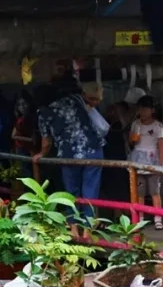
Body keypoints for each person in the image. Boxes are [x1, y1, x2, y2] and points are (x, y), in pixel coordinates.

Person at [33, 81, 109, 222]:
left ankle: (73, 226)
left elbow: (46, 142)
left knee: (71, 191)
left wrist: (41, 154)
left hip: (69, 154)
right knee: (90, 190)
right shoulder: (77, 100)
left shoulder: (44, 112)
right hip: (94, 150)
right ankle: (88, 227)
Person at [129, 95, 163, 230]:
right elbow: (131, 142)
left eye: (146, 109)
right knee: (139, 191)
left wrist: (160, 163)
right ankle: (140, 218)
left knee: (155, 191)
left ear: (152, 110)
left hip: (153, 158)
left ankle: (158, 218)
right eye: (141, 109)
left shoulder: (158, 126)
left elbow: (161, 144)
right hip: (138, 157)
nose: (143, 112)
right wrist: (135, 136)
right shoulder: (136, 124)